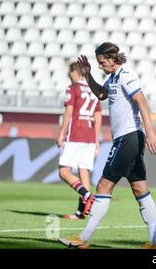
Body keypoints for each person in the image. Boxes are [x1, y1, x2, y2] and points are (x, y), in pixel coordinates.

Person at [59, 42, 156, 249]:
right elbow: (101, 95)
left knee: (104, 186)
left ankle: (83, 239)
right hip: (128, 138)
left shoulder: (126, 75)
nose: (100, 66)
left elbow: (142, 102)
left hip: (129, 137)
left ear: (112, 59)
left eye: (102, 62)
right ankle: (155, 241)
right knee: (139, 188)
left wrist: (150, 133)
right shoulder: (112, 77)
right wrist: (88, 76)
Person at [57, 62, 102, 220]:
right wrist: (96, 139)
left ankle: (88, 195)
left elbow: (69, 111)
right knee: (84, 172)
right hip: (89, 136)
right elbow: (98, 115)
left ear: (75, 72)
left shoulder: (73, 88)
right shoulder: (93, 89)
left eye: (70, 73)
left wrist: (62, 133)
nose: (69, 76)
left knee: (64, 172)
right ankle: (82, 211)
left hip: (75, 134)